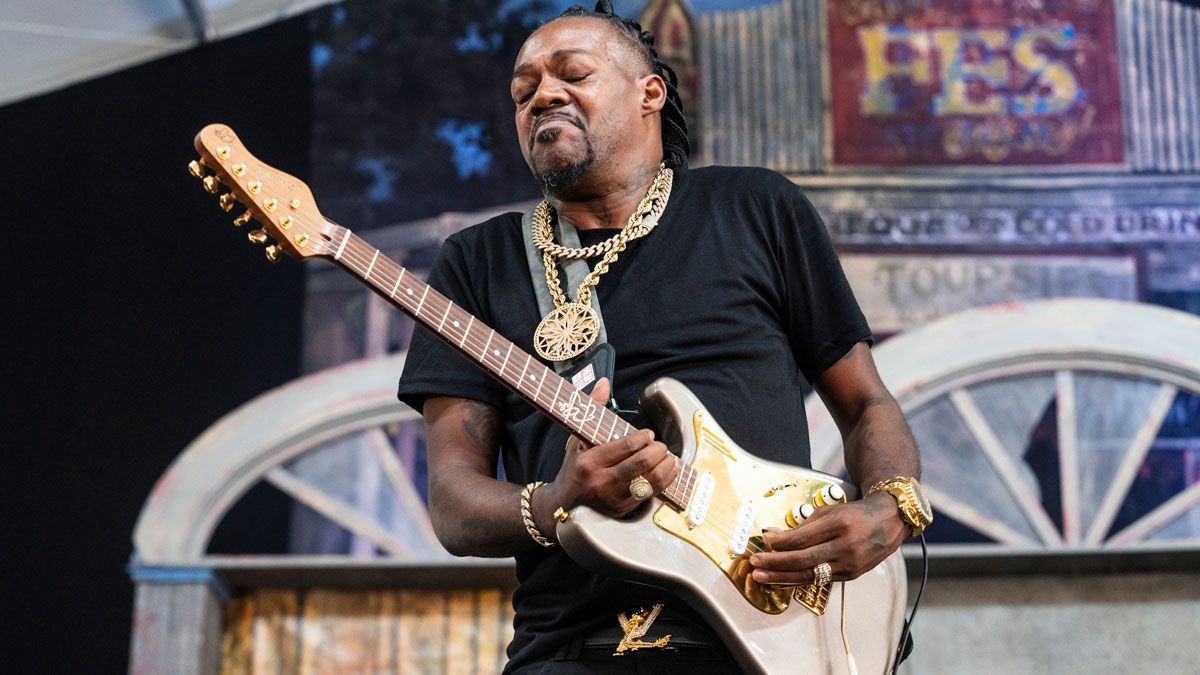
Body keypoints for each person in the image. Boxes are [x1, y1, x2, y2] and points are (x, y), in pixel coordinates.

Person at [397, 2, 927, 672]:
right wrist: (556, 502)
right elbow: (452, 500)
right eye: (523, 90)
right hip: (571, 648)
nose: (543, 95)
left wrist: (891, 505)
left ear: (650, 92)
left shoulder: (755, 209)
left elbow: (867, 404)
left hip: (779, 635)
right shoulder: (476, 262)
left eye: (573, 73)